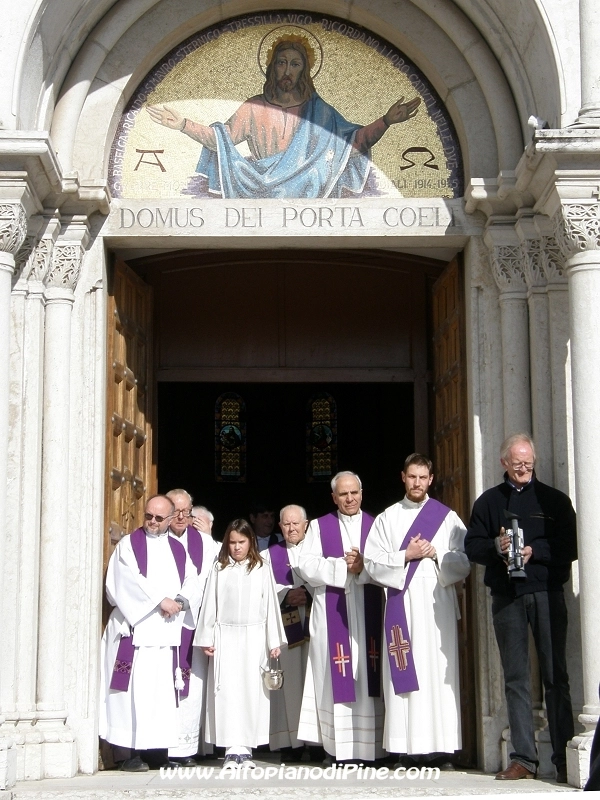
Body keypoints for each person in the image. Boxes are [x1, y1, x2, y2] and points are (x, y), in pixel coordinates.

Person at [146, 37, 420, 199]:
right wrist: (183, 124)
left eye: (295, 64)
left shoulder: (319, 111)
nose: (287, 70)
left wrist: (386, 121)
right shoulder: (254, 107)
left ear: (304, 71)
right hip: (256, 185)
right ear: (271, 68)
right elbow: (221, 140)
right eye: (281, 63)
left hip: (311, 190)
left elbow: (353, 142)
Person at [464, 433, 577, 783]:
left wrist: (535, 551)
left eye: (528, 462)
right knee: (515, 678)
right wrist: (497, 547)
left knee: (555, 676)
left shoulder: (555, 500)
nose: (524, 468)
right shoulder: (488, 502)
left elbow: (572, 545)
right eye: (517, 463)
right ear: (504, 463)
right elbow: (472, 546)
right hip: (507, 596)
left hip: (546, 592)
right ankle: (524, 758)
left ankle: (563, 758)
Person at [363, 454, 470, 764]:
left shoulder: (447, 518)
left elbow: (465, 560)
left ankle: (440, 747)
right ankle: (406, 748)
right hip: (402, 605)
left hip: (437, 608)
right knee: (405, 672)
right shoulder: (387, 518)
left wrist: (437, 554)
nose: (417, 483)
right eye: (412, 477)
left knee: (436, 673)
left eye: (423, 477)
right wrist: (405, 556)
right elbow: (371, 563)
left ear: (431, 479)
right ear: (403, 477)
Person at [99, 495, 201, 771]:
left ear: (171, 519)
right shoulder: (128, 545)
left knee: (160, 695)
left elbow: (192, 580)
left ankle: (157, 753)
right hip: (136, 632)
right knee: (133, 693)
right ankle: (129, 754)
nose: (152, 522)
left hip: (166, 634)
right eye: (148, 516)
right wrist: (160, 601)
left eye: (158, 518)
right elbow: (125, 580)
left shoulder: (178, 549)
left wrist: (180, 601)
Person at [297, 471, 384, 762]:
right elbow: (305, 565)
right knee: (332, 675)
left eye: (354, 493)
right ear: (334, 497)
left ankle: (372, 748)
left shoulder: (377, 525)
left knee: (368, 672)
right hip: (332, 610)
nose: (350, 499)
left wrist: (363, 567)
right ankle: (336, 749)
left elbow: (389, 565)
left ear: (362, 493)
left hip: (369, 610)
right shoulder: (319, 526)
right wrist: (341, 566)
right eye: (343, 494)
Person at [194, 518, 286, 767]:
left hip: (254, 637)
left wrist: (273, 640)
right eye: (232, 542)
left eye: (241, 542)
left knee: (250, 692)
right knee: (226, 692)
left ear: (250, 542)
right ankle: (230, 749)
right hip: (226, 636)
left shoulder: (262, 568)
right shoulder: (219, 568)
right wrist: (206, 637)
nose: (236, 547)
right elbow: (210, 604)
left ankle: (246, 749)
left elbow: (270, 605)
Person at [166, 489, 219, 764]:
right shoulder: (155, 540)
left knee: (192, 686)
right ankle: (161, 746)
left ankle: (184, 748)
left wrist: (186, 600)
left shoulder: (205, 543)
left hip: (192, 623)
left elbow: (211, 581)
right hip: (160, 624)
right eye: (175, 511)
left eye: (186, 511)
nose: (181, 517)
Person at [263, 504, 313, 761]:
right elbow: (261, 590)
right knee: (289, 684)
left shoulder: (318, 550)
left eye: (296, 523)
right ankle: (290, 743)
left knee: (314, 681)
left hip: (315, 624)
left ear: (306, 525)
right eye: (286, 524)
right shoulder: (267, 556)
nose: (292, 528)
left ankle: (316, 743)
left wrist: (307, 593)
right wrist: (285, 595)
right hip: (285, 627)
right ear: (280, 527)